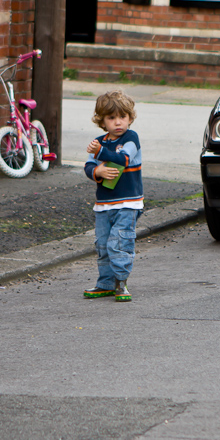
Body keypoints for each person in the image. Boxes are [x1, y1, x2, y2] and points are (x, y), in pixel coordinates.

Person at [83, 90, 143, 302]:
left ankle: (121, 282)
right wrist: (97, 171)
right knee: (103, 244)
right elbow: (89, 165)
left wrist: (101, 153)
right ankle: (105, 283)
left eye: (122, 117)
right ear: (102, 121)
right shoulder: (99, 142)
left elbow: (124, 159)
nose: (118, 122)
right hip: (104, 204)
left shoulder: (131, 138)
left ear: (129, 118)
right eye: (111, 118)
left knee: (119, 242)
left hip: (128, 202)